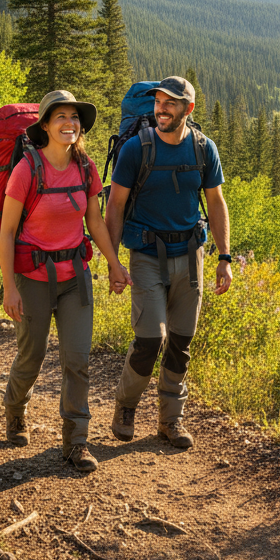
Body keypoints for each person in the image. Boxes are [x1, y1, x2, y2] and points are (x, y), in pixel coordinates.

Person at [0, 90, 132, 472]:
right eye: (60, 117)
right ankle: (14, 407)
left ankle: (76, 442)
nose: (69, 123)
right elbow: (7, 232)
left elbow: (94, 221)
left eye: (74, 117)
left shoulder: (85, 167)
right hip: (33, 279)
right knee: (33, 355)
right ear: (44, 125)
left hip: (75, 276)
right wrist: (10, 287)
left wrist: (114, 264)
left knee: (77, 360)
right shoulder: (27, 169)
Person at [105, 76, 232, 449]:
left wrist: (224, 258)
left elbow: (216, 203)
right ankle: (126, 407)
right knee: (150, 340)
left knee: (181, 341)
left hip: (191, 255)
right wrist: (113, 262)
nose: (162, 108)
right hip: (145, 254)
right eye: (159, 101)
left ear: (188, 109)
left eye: (171, 103)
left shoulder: (203, 149)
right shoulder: (135, 150)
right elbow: (115, 206)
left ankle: (170, 421)